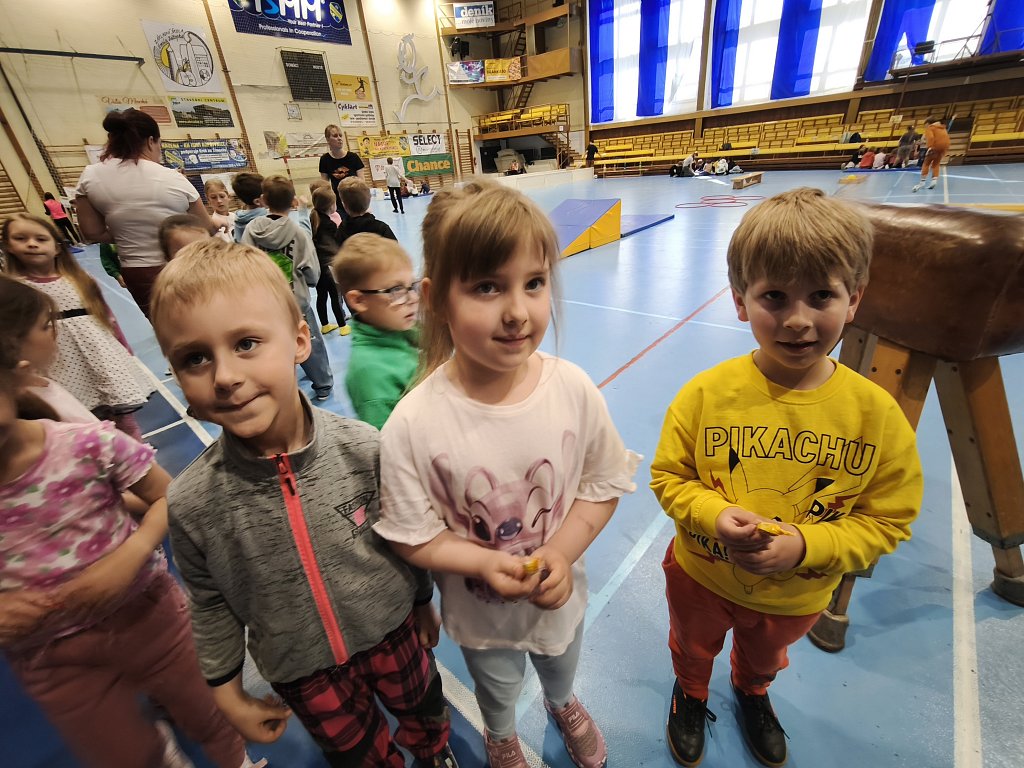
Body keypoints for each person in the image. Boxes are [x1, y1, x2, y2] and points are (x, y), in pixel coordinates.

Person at [148, 241, 460, 768]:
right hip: (303, 672)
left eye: (246, 343)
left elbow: (405, 536)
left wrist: (422, 601)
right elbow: (210, 601)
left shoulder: (364, 449)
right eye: (195, 358)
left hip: (394, 634)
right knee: (358, 755)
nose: (224, 376)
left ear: (299, 340)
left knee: (425, 713)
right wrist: (227, 692)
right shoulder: (192, 501)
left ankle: (433, 754)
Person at [650, 187, 923, 768]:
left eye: (821, 295)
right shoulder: (705, 395)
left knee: (765, 658)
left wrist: (806, 546)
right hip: (700, 577)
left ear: (854, 299)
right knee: (692, 647)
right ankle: (691, 693)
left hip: (798, 594)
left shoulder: (876, 416)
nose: (798, 320)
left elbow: (889, 520)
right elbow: (669, 478)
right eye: (774, 296)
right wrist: (713, 515)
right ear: (740, 301)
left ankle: (752, 692)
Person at [374, 183, 640, 768]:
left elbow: (601, 487)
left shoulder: (573, 390)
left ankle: (562, 703)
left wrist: (562, 554)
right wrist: (479, 563)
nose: (518, 311)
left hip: (558, 599)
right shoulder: (413, 424)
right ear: (436, 300)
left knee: (561, 663)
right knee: (496, 687)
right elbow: (411, 534)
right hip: (481, 618)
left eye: (534, 283)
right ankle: (500, 736)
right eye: (488, 287)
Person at [0, 361, 263, 768]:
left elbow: (168, 497)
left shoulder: (87, 444)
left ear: (14, 376)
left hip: (149, 618)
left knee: (209, 712)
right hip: (49, 657)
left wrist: (132, 551)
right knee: (124, 755)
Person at [1, 213, 153, 438]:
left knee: (121, 411)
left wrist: (123, 346)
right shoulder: (17, 290)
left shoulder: (80, 279)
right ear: (8, 246)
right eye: (21, 238)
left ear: (57, 247)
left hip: (99, 353)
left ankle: (132, 446)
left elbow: (106, 315)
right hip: (58, 363)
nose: (32, 244)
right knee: (75, 417)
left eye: (40, 239)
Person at [73, 108, 214, 317]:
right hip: (183, 264)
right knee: (201, 317)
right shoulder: (172, 177)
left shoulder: (91, 175)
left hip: (137, 268)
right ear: (150, 141)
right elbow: (205, 226)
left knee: (163, 323)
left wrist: (127, 233)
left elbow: (92, 232)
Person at [240, 175, 334, 401]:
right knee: (310, 340)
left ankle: (279, 387)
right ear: (293, 201)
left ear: (263, 200)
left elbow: (244, 262)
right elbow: (312, 270)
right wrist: (307, 280)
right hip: (296, 302)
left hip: (265, 303)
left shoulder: (251, 230)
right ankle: (322, 384)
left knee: (272, 344)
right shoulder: (298, 232)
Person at [331, 233, 419, 429]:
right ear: (359, 300)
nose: (413, 298)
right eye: (396, 290)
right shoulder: (370, 375)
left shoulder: (400, 329)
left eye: (412, 286)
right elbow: (389, 442)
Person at [310, 186, 350, 336]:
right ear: (331, 206)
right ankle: (342, 326)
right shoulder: (330, 225)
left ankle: (325, 325)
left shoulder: (313, 219)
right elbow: (339, 242)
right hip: (330, 266)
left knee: (321, 296)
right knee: (335, 295)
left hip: (317, 266)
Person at [232, 172, 313, 243]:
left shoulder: (238, 220)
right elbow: (304, 238)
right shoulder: (269, 220)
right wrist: (302, 211)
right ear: (258, 201)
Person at [338, 177, 398, 242]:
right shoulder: (381, 228)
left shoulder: (341, 230)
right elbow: (395, 247)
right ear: (369, 199)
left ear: (344, 205)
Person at [319, 124, 366, 204]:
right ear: (327, 139)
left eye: (340, 135)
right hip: (338, 202)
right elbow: (325, 185)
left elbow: (362, 183)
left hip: (355, 201)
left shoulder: (353, 157)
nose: (339, 138)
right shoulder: (324, 160)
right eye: (335, 136)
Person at [913, 116, 951, 192]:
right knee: (936, 164)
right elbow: (946, 138)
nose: (925, 126)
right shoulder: (942, 128)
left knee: (926, 163)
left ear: (928, 123)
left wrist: (930, 147)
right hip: (944, 147)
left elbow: (930, 138)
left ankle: (922, 182)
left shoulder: (930, 128)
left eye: (925, 125)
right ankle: (934, 180)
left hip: (935, 147)